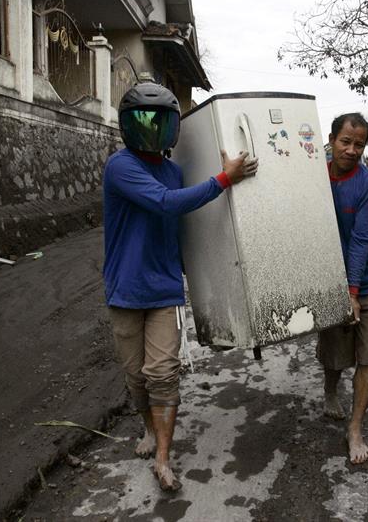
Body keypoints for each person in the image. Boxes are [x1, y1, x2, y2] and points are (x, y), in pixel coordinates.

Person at [103, 82, 258, 491]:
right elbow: (167, 203)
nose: (151, 129)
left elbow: (189, 221)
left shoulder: (174, 170)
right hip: (124, 289)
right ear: (127, 126)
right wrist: (224, 178)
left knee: (163, 373)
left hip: (165, 289)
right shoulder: (120, 167)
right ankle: (149, 429)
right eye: (142, 121)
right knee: (136, 376)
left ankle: (163, 456)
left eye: (160, 122)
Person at [318, 112, 368, 465]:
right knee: (334, 350)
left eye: (359, 144)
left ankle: (355, 427)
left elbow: (361, 240)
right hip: (332, 275)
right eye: (345, 141)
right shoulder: (314, 177)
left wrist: (354, 293)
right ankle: (331, 391)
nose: (351, 150)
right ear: (331, 139)